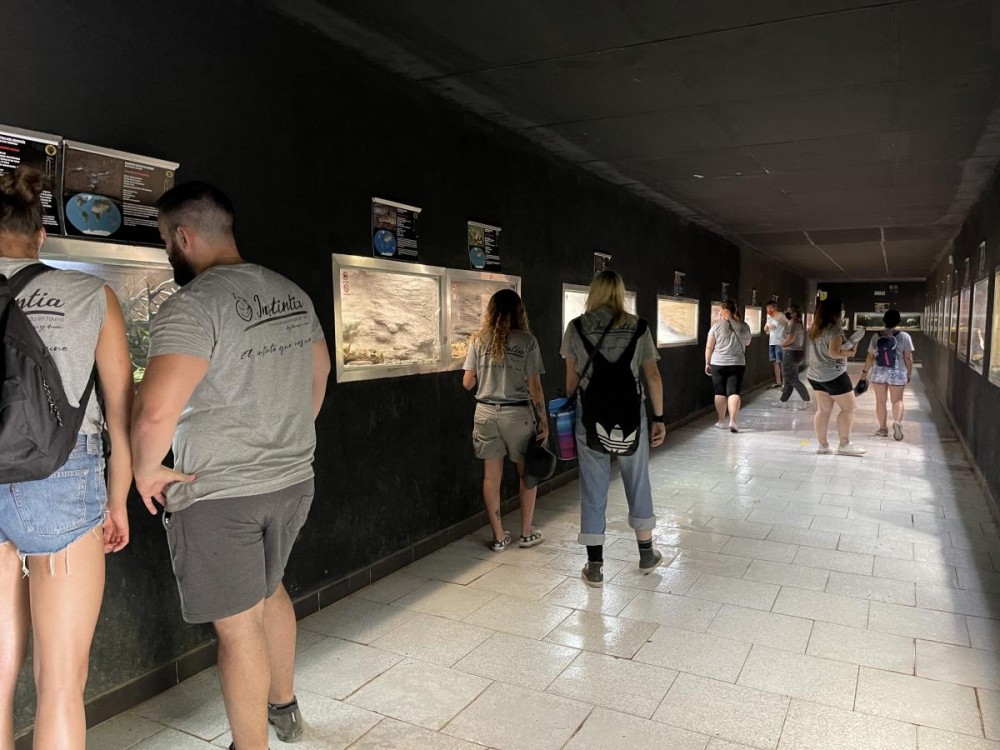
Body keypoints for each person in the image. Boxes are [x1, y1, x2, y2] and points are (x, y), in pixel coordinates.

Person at [131, 182, 330, 750]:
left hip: (219, 493)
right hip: (293, 480)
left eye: (165, 239)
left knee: (238, 629)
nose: (168, 249)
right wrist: (287, 436)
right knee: (269, 593)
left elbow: (156, 411)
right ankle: (284, 708)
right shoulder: (292, 293)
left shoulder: (192, 306)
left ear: (183, 236)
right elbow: (319, 374)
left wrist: (145, 469)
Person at [0, 166, 133, 750]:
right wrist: (118, 500)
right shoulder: (90, 295)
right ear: (40, 235)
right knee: (59, 685)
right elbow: (121, 410)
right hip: (60, 476)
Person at [561, 270, 665, 588]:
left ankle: (595, 566)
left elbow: (571, 381)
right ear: (620, 293)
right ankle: (646, 554)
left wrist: (572, 410)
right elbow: (653, 376)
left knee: (593, 487)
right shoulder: (639, 327)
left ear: (593, 292)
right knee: (638, 479)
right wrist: (659, 417)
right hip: (631, 415)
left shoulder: (575, 327)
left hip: (590, 416)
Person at [462, 289, 548, 551]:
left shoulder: (477, 340)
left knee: (491, 477)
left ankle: (499, 537)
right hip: (517, 415)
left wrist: (489, 375)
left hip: (485, 414)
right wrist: (543, 421)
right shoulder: (527, 341)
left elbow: (467, 383)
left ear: (490, 311)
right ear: (519, 312)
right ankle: (526, 533)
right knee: (526, 474)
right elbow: (535, 387)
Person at [806, 297, 866, 456]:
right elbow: (834, 353)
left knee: (823, 410)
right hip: (834, 375)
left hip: (815, 375)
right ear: (836, 312)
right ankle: (844, 444)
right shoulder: (834, 330)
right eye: (841, 310)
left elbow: (827, 350)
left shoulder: (815, 329)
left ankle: (823, 446)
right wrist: (850, 353)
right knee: (850, 408)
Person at [859, 309, 914, 440]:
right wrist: (909, 372)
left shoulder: (876, 336)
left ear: (883, 320)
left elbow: (870, 357)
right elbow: (908, 358)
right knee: (897, 400)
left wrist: (864, 373)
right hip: (898, 372)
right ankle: (897, 422)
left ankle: (883, 429)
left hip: (879, 371)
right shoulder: (905, 337)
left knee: (880, 401)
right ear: (898, 321)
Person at [705, 299, 753, 433]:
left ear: (726, 311)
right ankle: (733, 421)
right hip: (737, 363)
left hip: (718, 363)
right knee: (734, 391)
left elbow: (709, 347)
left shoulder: (716, 326)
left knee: (720, 392)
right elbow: (748, 342)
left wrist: (707, 363)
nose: (719, 314)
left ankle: (721, 421)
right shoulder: (744, 326)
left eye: (721, 311)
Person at [778, 304, 811, 409]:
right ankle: (783, 401)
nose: (787, 313)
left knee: (791, 377)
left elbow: (790, 339)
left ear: (795, 314)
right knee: (789, 378)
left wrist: (781, 344)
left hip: (790, 353)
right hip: (795, 352)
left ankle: (806, 399)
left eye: (789, 311)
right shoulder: (797, 323)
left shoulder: (794, 324)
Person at [764, 301, 786, 388]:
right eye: (767, 308)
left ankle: (785, 383)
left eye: (770, 308)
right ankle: (778, 382)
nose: (768, 310)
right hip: (772, 342)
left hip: (780, 342)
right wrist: (768, 326)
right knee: (775, 363)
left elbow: (772, 327)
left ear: (775, 308)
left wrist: (769, 326)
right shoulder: (770, 317)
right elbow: (765, 329)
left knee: (781, 362)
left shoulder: (781, 315)